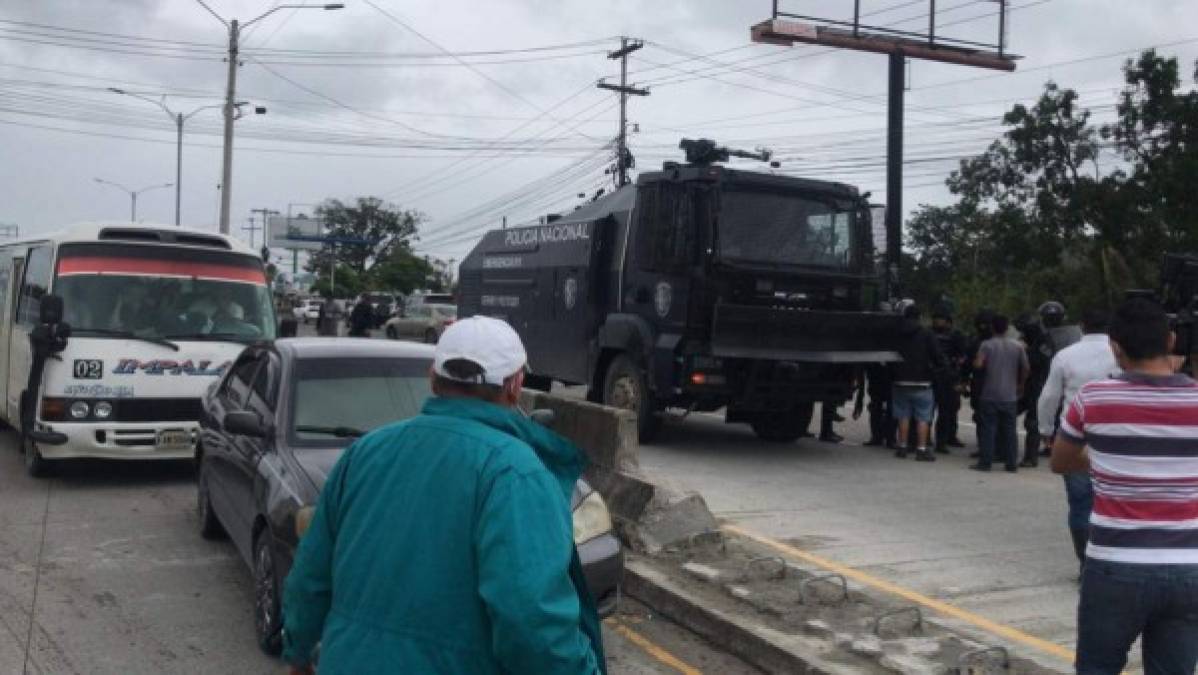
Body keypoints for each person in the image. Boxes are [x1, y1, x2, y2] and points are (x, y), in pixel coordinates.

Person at [281, 316, 605, 674]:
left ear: (433, 378)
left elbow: (310, 574)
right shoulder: (516, 472)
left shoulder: (366, 451)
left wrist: (297, 652)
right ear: (515, 385)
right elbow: (531, 621)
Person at [1052, 299, 1198, 674]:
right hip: (1189, 568)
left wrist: (1101, 461)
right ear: (1170, 340)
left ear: (1115, 347)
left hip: (1115, 567)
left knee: (1097, 668)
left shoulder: (1094, 398)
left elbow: (1060, 461)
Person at [1037, 308, 1119, 572]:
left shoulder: (1065, 355)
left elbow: (1049, 397)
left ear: (1082, 326)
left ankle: (1086, 563)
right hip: (1114, 437)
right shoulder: (1121, 354)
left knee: (1080, 503)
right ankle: (1110, 559)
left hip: (1076, 437)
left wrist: (1046, 429)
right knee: (1112, 503)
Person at [971, 314, 1028, 472]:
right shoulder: (1017, 346)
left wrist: (975, 362)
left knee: (989, 429)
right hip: (1009, 395)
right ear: (1007, 327)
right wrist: (1021, 385)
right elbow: (1025, 368)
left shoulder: (986, 345)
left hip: (989, 393)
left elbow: (978, 364)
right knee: (1010, 430)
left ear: (992, 327)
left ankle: (985, 462)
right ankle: (1011, 463)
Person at [889, 303, 944, 462]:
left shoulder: (897, 333)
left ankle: (902, 446)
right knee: (923, 417)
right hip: (923, 381)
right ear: (919, 317)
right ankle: (921, 449)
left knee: (903, 416)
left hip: (900, 380)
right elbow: (937, 356)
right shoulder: (927, 334)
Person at [1015, 314, 1051, 467]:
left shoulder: (1044, 342)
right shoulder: (1032, 339)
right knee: (1007, 413)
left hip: (1039, 386)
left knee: (1032, 422)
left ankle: (1031, 457)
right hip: (1026, 385)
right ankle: (1003, 450)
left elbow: (1038, 361)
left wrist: (1025, 350)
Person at [930, 310, 967, 453]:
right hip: (932, 376)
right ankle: (925, 438)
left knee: (948, 411)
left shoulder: (956, 336)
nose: (937, 321)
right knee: (928, 412)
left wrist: (959, 374)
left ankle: (945, 440)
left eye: (940, 318)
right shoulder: (929, 334)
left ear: (948, 322)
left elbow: (963, 356)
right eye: (935, 318)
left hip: (949, 377)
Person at [856, 363, 894, 447]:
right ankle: (888, 438)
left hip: (878, 380)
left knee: (878, 409)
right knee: (883, 410)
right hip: (881, 381)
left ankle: (880, 437)